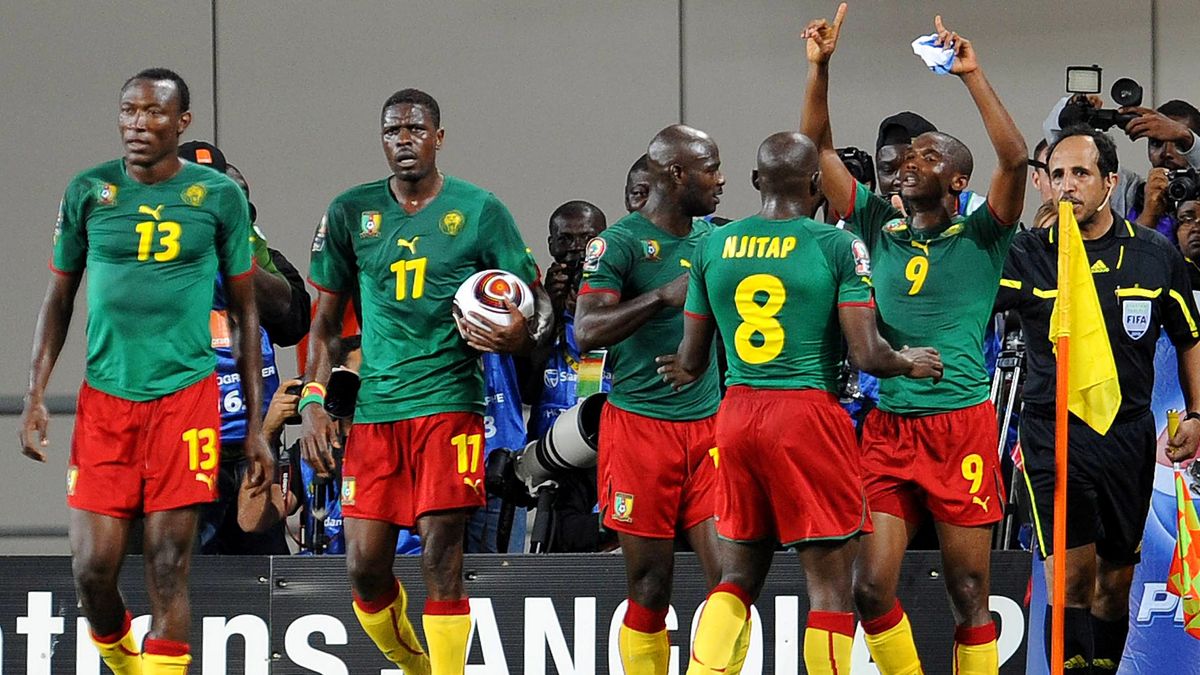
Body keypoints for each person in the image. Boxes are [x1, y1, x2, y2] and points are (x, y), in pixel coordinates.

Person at [18, 68, 272, 674]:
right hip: (106, 402)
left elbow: (244, 313)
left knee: (166, 566)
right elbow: (58, 299)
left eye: (154, 113)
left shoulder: (217, 197)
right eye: (129, 111)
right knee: (92, 572)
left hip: (185, 401)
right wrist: (34, 395)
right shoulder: (88, 190)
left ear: (181, 122)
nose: (138, 124)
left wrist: (257, 423)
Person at [662, 129, 942, 674]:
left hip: (737, 415)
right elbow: (867, 354)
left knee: (736, 579)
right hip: (806, 416)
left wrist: (684, 368)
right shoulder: (837, 246)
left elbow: (692, 360)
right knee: (830, 592)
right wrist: (910, 361)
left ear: (755, 181)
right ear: (817, 184)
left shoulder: (713, 246)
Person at [802, 7, 1028, 673]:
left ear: (958, 181)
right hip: (890, 428)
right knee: (870, 588)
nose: (906, 160)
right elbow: (815, 149)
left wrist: (972, 75)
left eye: (929, 154)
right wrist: (821, 69)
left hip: (960, 427)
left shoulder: (984, 235)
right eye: (904, 154)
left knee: (968, 593)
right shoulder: (876, 226)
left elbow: (1014, 158)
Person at [301, 88, 545, 675]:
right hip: (377, 412)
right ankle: (415, 666)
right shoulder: (350, 211)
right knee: (363, 568)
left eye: (415, 129)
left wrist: (519, 333)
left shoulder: (479, 208)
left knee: (442, 553)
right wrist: (313, 398)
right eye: (392, 131)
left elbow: (532, 297)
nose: (403, 140)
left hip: (449, 405)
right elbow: (326, 324)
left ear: (439, 136)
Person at [996, 125, 1200, 673]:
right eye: (1056, 174)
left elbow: (1188, 338)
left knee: (1115, 584)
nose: (1066, 186)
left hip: (1128, 437)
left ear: (1110, 182)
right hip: (1052, 432)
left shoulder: (1155, 255)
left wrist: (1198, 414)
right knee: (1070, 577)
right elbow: (964, 305)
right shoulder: (1027, 255)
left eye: (1080, 173)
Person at [575, 124, 748, 675]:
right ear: (676, 174)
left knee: (732, 578)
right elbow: (587, 330)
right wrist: (661, 296)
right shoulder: (619, 243)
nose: (721, 179)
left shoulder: (718, 240)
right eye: (711, 168)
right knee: (650, 587)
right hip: (640, 433)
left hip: (709, 430)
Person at [525, 200, 612, 553]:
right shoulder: (535, 306)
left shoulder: (622, 301)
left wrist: (590, 316)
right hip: (550, 458)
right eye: (566, 240)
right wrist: (550, 315)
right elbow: (527, 389)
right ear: (550, 245)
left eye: (587, 240)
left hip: (608, 454)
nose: (576, 251)